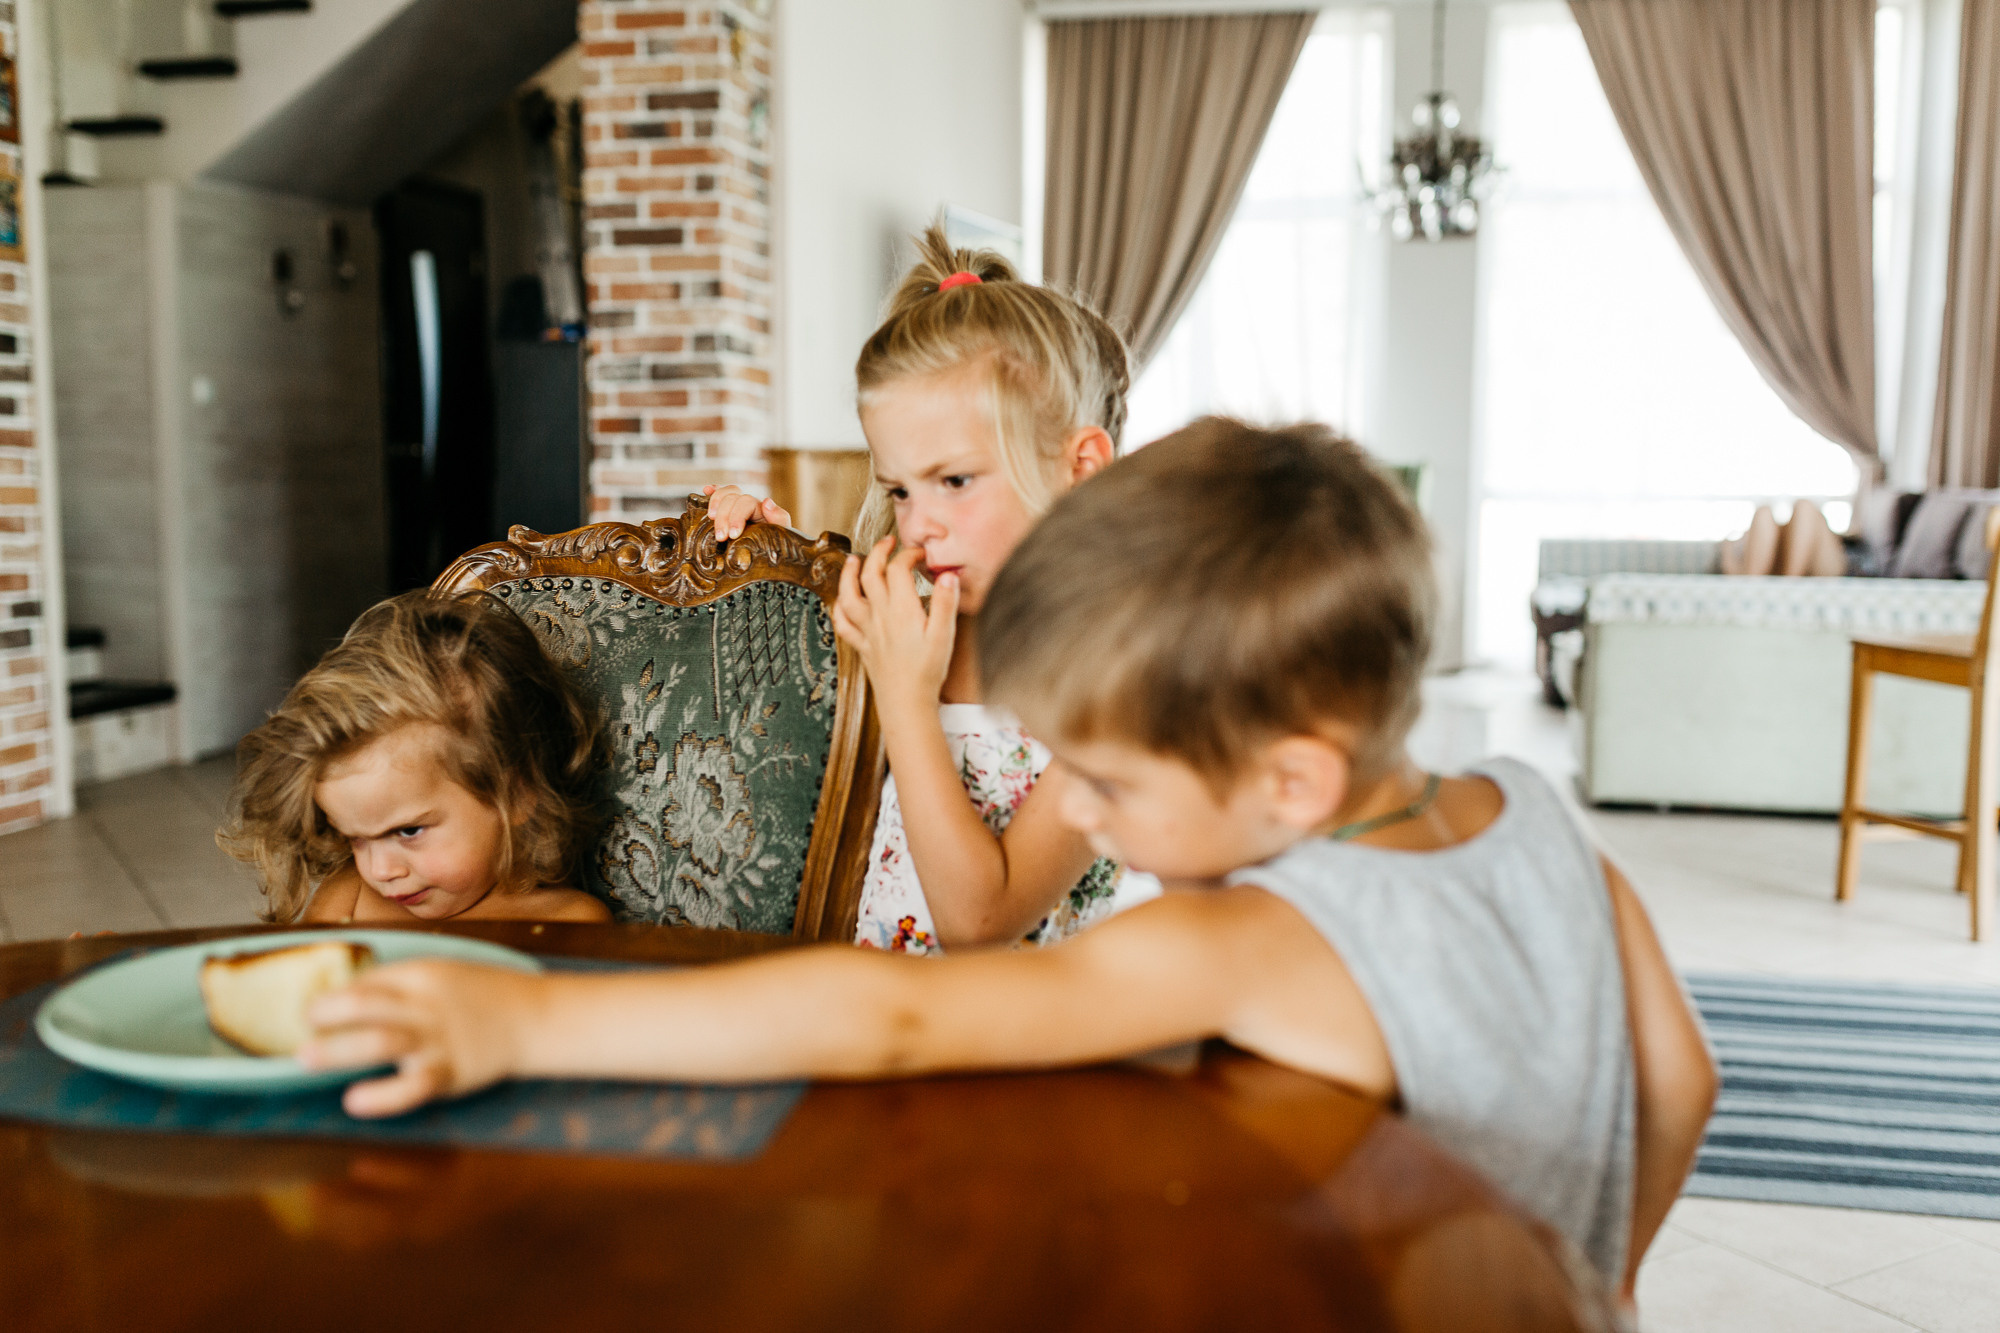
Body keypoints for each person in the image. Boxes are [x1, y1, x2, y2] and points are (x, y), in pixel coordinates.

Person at [302, 420, 1716, 1302]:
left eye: (1108, 781)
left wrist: (527, 1012)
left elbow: (895, 1011)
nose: (1085, 817)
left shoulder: (1257, 938)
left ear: (1291, 779)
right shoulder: (1530, 813)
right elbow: (1675, 1079)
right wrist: (1593, 1279)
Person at [705, 223, 1140, 953]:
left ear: (1081, 470)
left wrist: (907, 697)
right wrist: (772, 562)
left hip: (1023, 1040)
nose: (920, 525)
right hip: (883, 1016)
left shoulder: (1116, 680)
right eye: (901, 491)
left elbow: (980, 922)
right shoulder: (902, 614)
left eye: (955, 481)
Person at [218, 590, 612, 926]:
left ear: (517, 795)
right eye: (356, 838)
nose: (379, 871)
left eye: (408, 832)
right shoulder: (350, 896)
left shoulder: (568, 921)